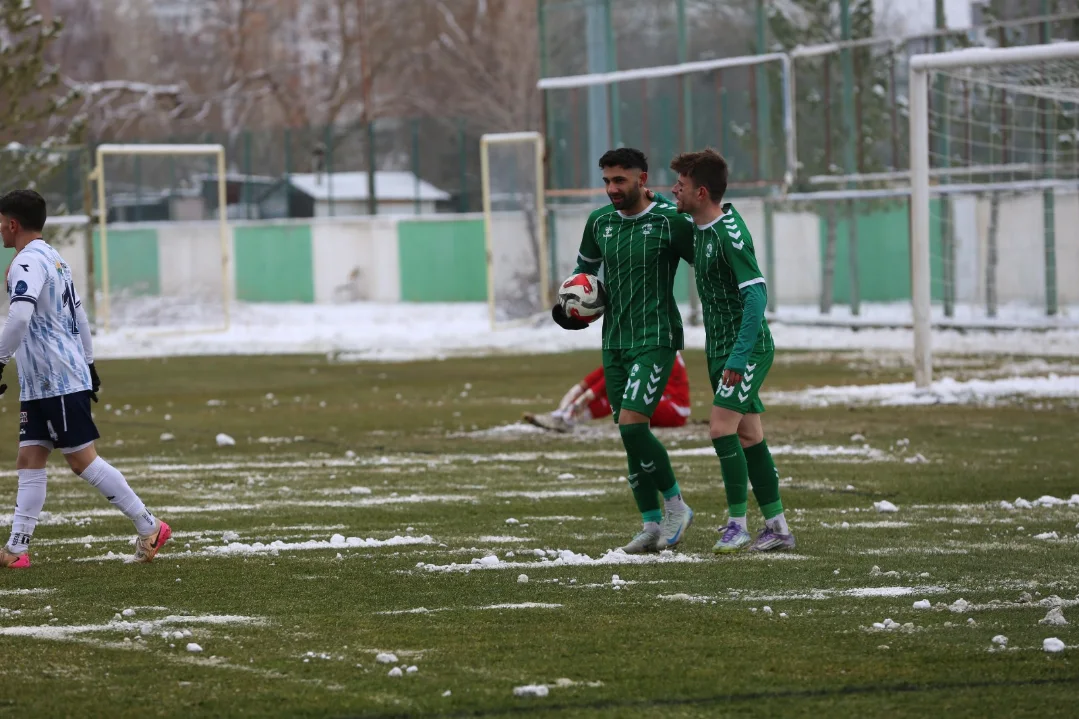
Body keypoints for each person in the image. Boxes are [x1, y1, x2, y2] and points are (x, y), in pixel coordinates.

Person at [0, 190, 170, 569]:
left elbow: (19, 318)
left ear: (12, 224)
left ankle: (149, 525)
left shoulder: (27, 262)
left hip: (56, 378)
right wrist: (89, 363)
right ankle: (16, 550)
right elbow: (80, 315)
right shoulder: (56, 258)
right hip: (44, 382)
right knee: (29, 458)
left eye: (1, 222)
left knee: (80, 461)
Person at [552, 148, 696, 553]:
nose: (612, 189)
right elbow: (584, 279)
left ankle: (675, 506)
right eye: (607, 181)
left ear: (642, 178)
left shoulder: (669, 220)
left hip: (656, 337)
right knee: (630, 435)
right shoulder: (599, 222)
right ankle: (651, 525)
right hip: (614, 341)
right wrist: (570, 311)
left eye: (620, 180)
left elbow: (704, 260)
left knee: (633, 425)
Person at [669, 149, 794, 553]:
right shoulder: (702, 229)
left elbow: (757, 297)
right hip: (721, 347)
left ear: (701, 192)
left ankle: (737, 524)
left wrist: (740, 358)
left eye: (681, 186)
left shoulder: (729, 233)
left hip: (747, 347)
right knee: (749, 435)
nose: (675, 190)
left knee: (721, 429)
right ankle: (777, 528)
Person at [524, 351, 691, 432]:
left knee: (624, 393)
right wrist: (582, 386)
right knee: (623, 393)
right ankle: (563, 416)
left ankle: (569, 418)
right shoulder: (643, 338)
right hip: (659, 401)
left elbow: (621, 374)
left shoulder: (655, 345)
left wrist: (590, 394)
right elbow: (612, 367)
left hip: (674, 408)